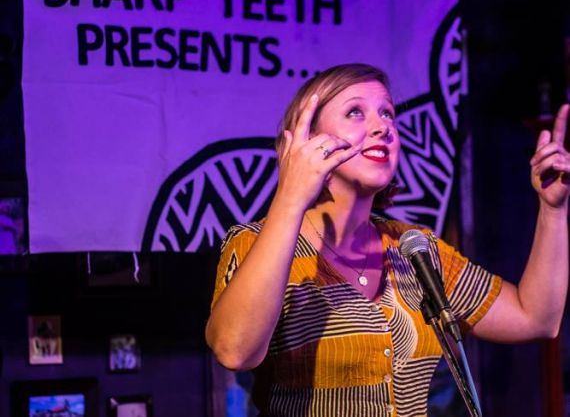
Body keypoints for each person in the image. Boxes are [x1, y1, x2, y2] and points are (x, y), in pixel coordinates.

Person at [206, 63, 569, 416]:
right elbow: (235, 351)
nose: (382, 126)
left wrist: (553, 210)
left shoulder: (414, 248)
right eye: (355, 113)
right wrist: (290, 196)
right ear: (306, 141)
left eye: (388, 114)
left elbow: (535, 317)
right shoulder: (257, 243)